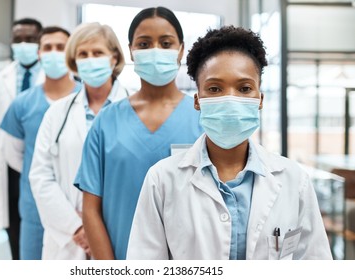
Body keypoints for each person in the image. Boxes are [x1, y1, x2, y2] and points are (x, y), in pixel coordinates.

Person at [126, 26, 333, 260]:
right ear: (197, 101)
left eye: (244, 88)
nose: (231, 99)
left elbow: (315, 263)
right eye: (215, 89)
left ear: (260, 99)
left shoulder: (294, 180)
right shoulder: (162, 180)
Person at [74, 6, 203, 260]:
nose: (155, 50)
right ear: (131, 50)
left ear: (181, 50)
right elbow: (90, 208)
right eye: (144, 44)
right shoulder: (107, 121)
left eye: (166, 43)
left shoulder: (203, 119)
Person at [29, 22, 128, 260]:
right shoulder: (57, 113)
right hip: (69, 240)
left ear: (114, 58)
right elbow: (41, 176)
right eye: (83, 54)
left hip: (121, 232)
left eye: (97, 53)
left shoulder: (134, 108)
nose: (90, 59)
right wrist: (79, 228)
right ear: (74, 60)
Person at [0, 26, 82, 260]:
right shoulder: (22, 104)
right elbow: (15, 156)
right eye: (47, 47)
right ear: (38, 53)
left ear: (70, 54)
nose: (53, 53)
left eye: (61, 47)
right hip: (35, 209)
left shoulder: (86, 99)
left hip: (78, 211)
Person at [0, 17, 43, 260]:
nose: (23, 44)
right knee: (15, 232)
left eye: (30, 39)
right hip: (10, 171)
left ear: (40, 41)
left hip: (40, 164)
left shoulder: (54, 79)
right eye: (18, 39)